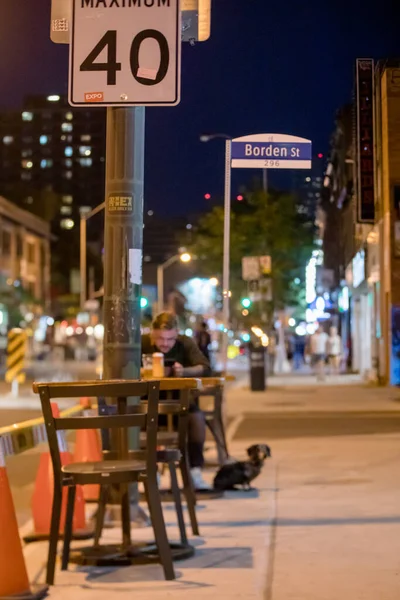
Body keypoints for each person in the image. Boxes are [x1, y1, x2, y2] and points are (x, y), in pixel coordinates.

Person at [141, 312, 211, 490]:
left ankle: (194, 470)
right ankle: (149, 471)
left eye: (170, 339)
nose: (165, 344)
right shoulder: (141, 343)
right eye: (160, 339)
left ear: (177, 334)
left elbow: (204, 367)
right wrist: (144, 372)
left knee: (197, 419)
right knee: (135, 421)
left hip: (180, 403)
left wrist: (183, 371)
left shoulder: (185, 343)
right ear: (152, 334)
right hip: (148, 403)